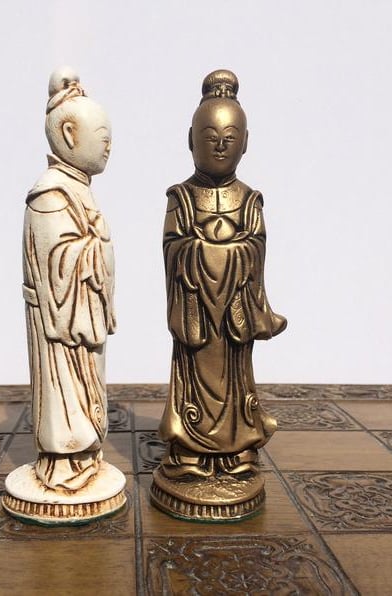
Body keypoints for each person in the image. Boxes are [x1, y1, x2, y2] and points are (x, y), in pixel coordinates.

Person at [159, 70, 286, 479]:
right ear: (190, 139)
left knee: (236, 382)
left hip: (233, 318)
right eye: (209, 136)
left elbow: (256, 251)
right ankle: (189, 451)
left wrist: (225, 250)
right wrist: (203, 250)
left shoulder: (249, 200)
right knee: (193, 377)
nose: (219, 145)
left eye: (229, 138)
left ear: (245, 143)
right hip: (196, 314)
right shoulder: (181, 197)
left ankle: (238, 449)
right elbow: (173, 249)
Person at [22, 68, 115, 490]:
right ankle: (62, 462)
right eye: (102, 135)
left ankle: (86, 454)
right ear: (69, 134)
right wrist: (97, 246)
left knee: (87, 391)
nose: (109, 144)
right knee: (64, 399)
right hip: (61, 324)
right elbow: (58, 266)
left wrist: (97, 242)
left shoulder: (77, 188)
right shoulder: (50, 195)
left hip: (81, 317)